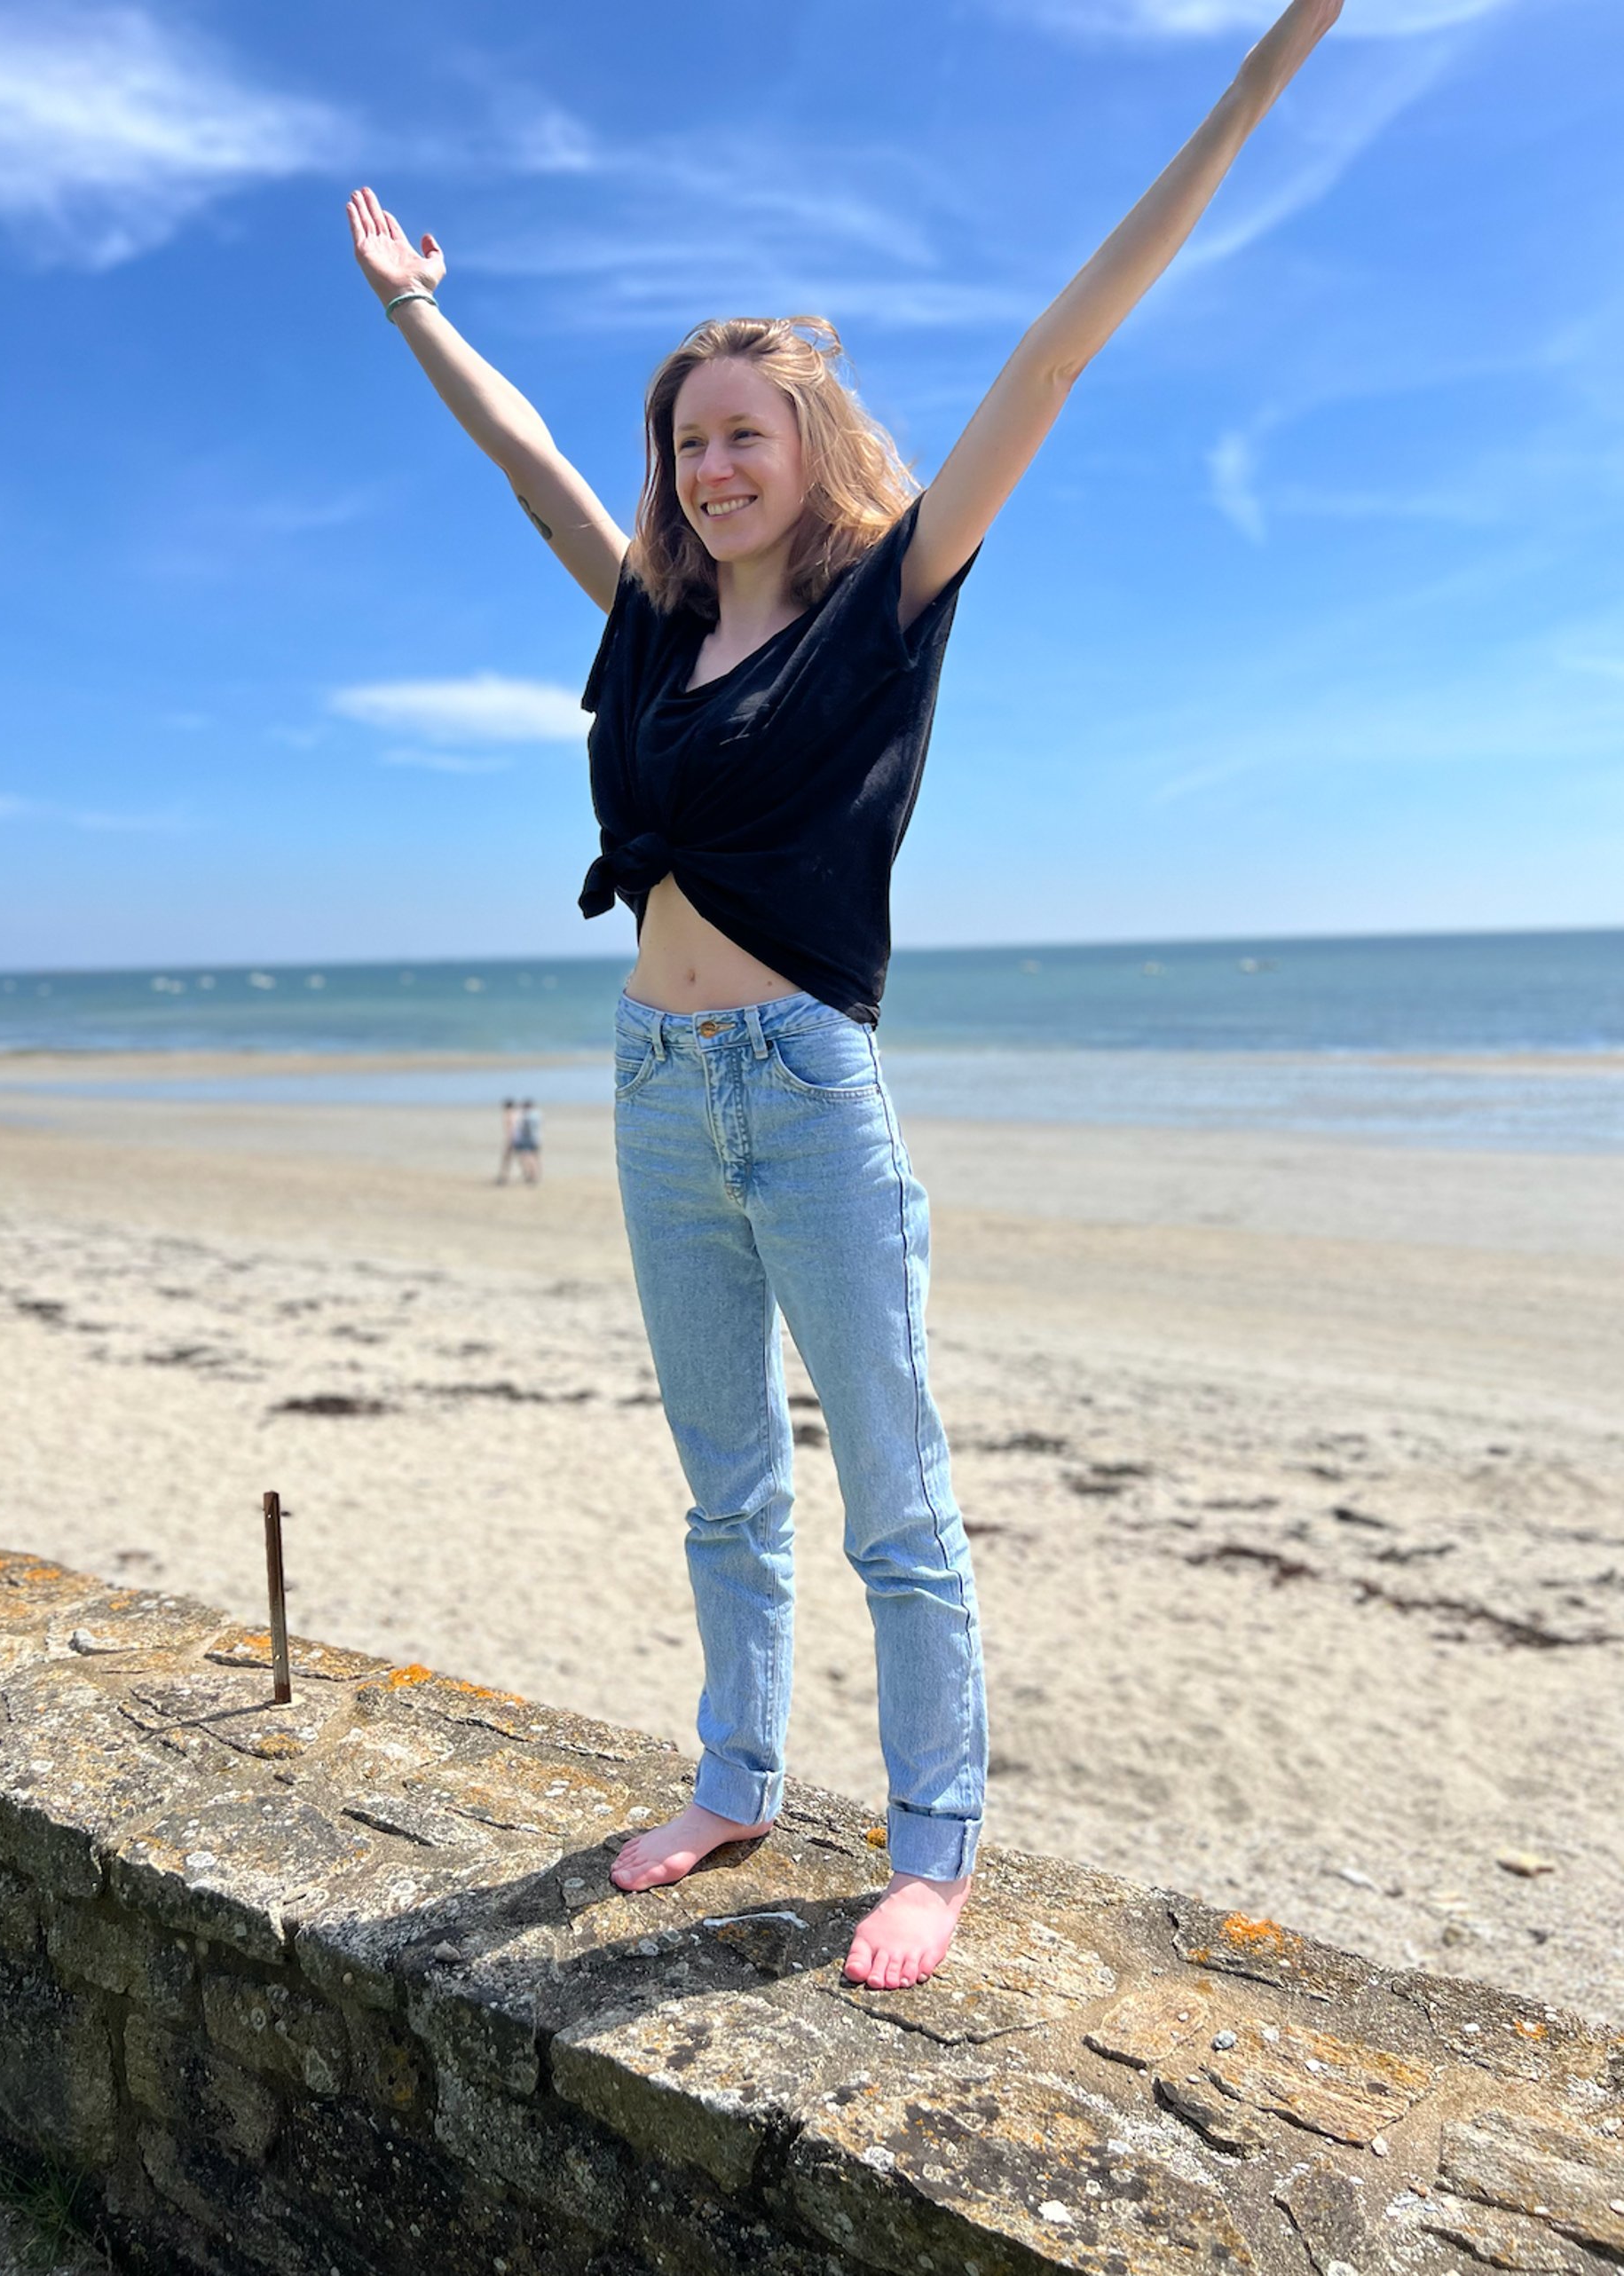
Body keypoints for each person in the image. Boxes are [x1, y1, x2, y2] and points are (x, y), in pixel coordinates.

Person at [345, 0, 1342, 1993]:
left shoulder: (887, 609)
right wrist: (415, 316)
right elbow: (536, 468)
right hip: (649, 1080)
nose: (710, 464)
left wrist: (1263, 67)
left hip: (808, 1087)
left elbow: (1060, 347)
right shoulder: (647, 625)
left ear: (810, 453)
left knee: (895, 1494)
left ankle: (931, 1852)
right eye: (687, 438)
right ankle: (730, 1775)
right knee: (725, 1485)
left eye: (743, 433)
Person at [513, 1097, 542, 1185]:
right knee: (535, 1157)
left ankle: (531, 1176)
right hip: (536, 1139)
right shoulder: (537, 1114)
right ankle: (536, 1175)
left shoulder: (526, 1116)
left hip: (527, 1139)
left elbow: (523, 1128)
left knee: (527, 1158)